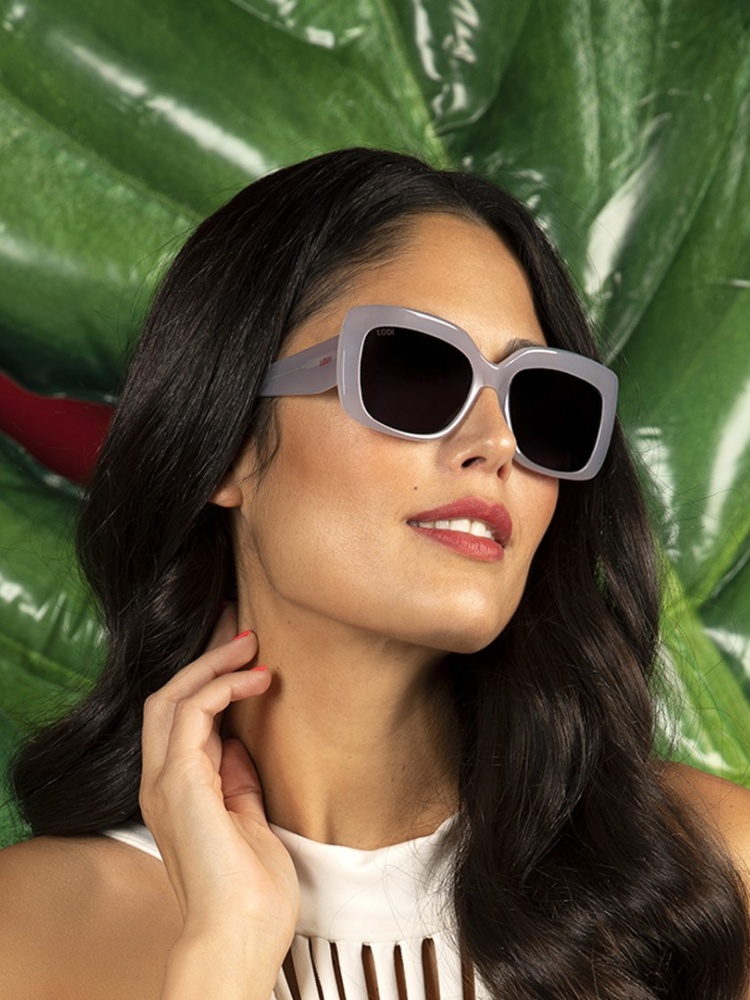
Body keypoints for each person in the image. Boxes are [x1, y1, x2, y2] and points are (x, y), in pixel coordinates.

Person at [0, 147, 748, 1000]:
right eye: (416, 371)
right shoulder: (28, 935)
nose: (497, 443)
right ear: (226, 439)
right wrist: (226, 949)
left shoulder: (711, 881)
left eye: (541, 401)